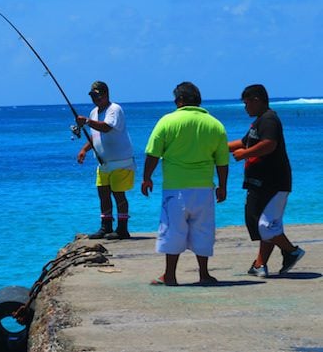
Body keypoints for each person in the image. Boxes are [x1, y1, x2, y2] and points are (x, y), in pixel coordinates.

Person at [141, 82, 229, 286]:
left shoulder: (168, 121)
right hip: (204, 189)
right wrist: (222, 186)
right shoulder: (215, 124)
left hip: (175, 188)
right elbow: (222, 161)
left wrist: (147, 177)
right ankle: (204, 274)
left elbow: (153, 153)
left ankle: (170, 275)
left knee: (173, 230)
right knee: (203, 230)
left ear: (180, 100)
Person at [228, 84, 305, 277]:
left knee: (266, 224)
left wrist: (245, 154)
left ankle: (291, 250)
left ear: (256, 101)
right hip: (259, 182)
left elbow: (269, 145)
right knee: (259, 221)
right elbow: (244, 142)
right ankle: (260, 265)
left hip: (274, 182)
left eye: (247, 103)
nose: (245, 108)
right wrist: (216, 147)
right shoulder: (259, 121)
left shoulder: (269, 119)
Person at [76, 81, 135, 240]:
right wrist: (84, 149)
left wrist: (87, 121)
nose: (95, 99)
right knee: (103, 194)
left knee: (118, 195)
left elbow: (106, 127)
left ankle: (122, 228)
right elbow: (96, 136)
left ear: (106, 94)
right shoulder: (94, 112)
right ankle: (106, 226)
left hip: (121, 162)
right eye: (92, 96)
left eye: (97, 95)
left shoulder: (114, 109)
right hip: (103, 163)